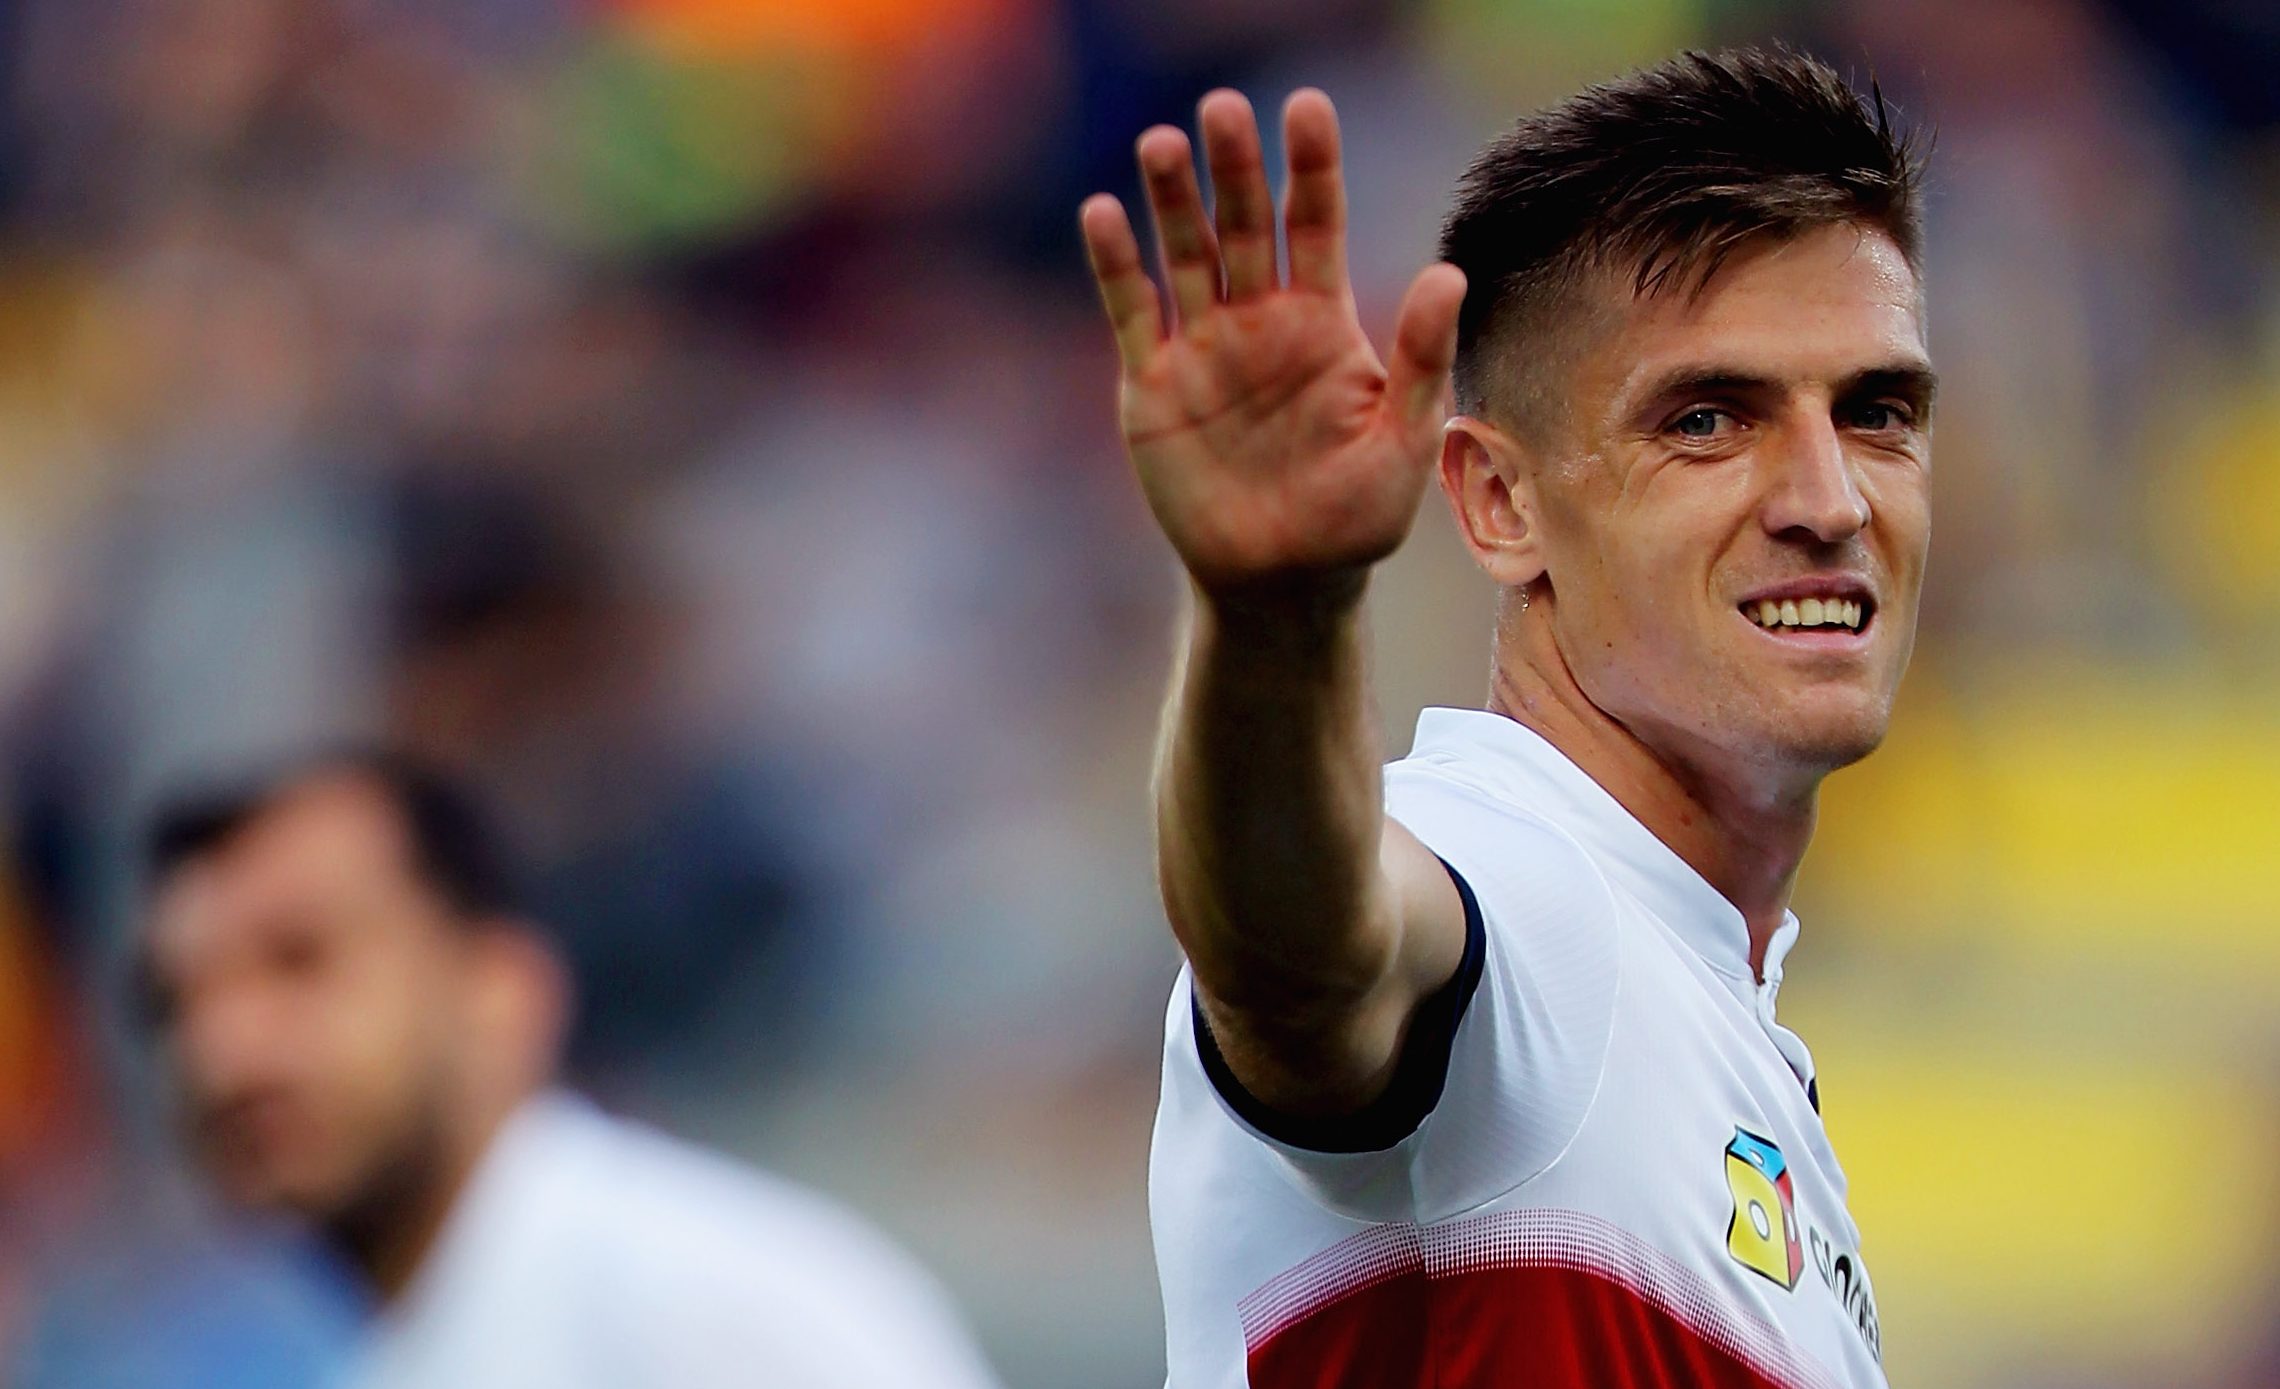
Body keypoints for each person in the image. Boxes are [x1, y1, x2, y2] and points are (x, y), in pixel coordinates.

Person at [1080, 47, 1925, 1388]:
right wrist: (1272, 612)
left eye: (1878, 412)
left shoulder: (1708, 1006)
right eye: (1708, 420)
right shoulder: (1516, 892)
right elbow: (1305, 964)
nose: (1831, 498)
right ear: (1496, 503)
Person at [134, 750, 1004, 1389]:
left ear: (504, 992)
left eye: (301, 960)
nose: (222, 1051)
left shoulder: (710, 1305)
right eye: (175, 1003)